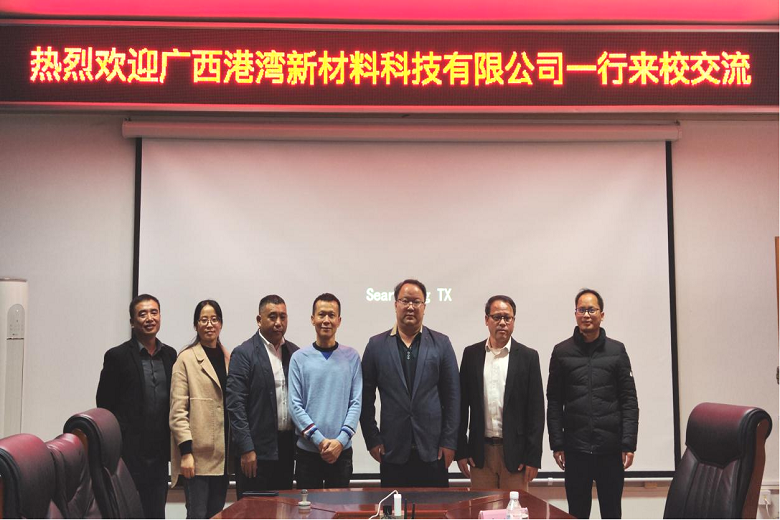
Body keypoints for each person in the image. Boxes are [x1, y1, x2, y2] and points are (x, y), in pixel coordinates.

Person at [547, 288, 639, 519]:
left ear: (602, 314)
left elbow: (629, 400)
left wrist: (628, 443)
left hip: (610, 449)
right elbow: (554, 402)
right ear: (575, 314)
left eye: (591, 310)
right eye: (581, 310)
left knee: (612, 513)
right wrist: (557, 444)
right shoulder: (561, 352)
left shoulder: (617, 351)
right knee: (577, 514)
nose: (586, 315)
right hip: (576, 449)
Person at [360, 278, 460, 488]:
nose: (411, 307)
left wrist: (449, 441)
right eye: (405, 301)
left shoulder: (441, 343)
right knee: (394, 507)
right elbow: (365, 398)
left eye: (416, 302)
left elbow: (453, 397)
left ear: (424, 306)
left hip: (434, 451)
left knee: (436, 507)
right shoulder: (376, 345)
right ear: (395, 304)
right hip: (392, 451)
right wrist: (372, 439)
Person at [96, 294, 177, 519]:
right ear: (132, 322)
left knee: (156, 512)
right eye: (142, 314)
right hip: (128, 454)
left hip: (159, 454)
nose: (149, 318)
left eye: (154, 312)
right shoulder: (117, 356)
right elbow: (104, 405)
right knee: (128, 513)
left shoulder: (170, 355)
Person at [456, 295, 544, 490]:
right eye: (497, 317)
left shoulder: (528, 357)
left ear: (513, 321)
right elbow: (461, 407)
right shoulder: (471, 355)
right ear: (486, 320)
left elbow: (536, 412)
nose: (502, 322)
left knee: (514, 508)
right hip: (480, 454)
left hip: (516, 455)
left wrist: (533, 457)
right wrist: (461, 450)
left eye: (507, 317)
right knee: (482, 507)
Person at [226, 295, 300, 498]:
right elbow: (235, 405)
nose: (278, 323)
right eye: (272, 317)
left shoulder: (294, 353)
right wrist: (246, 448)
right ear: (259, 320)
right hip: (255, 452)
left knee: (283, 509)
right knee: (253, 510)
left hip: (286, 450)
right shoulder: (244, 353)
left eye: (283, 317)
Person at [288, 293, 362, 489]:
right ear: (313, 319)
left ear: (339, 321)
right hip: (307, 454)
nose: (326, 320)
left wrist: (340, 441)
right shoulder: (299, 358)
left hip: (341, 452)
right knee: (307, 506)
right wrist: (320, 441)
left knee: (339, 506)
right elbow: (294, 405)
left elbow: (355, 403)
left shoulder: (352, 357)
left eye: (331, 315)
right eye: (321, 315)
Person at [170, 300, 231, 518]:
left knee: (216, 515)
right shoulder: (185, 359)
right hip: (197, 458)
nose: (209, 324)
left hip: (222, 457)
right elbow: (178, 413)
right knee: (197, 515)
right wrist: (186, 453)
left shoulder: (228, 358)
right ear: (195, 325)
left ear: (221, 324)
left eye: (214, 319)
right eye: (203, 320)